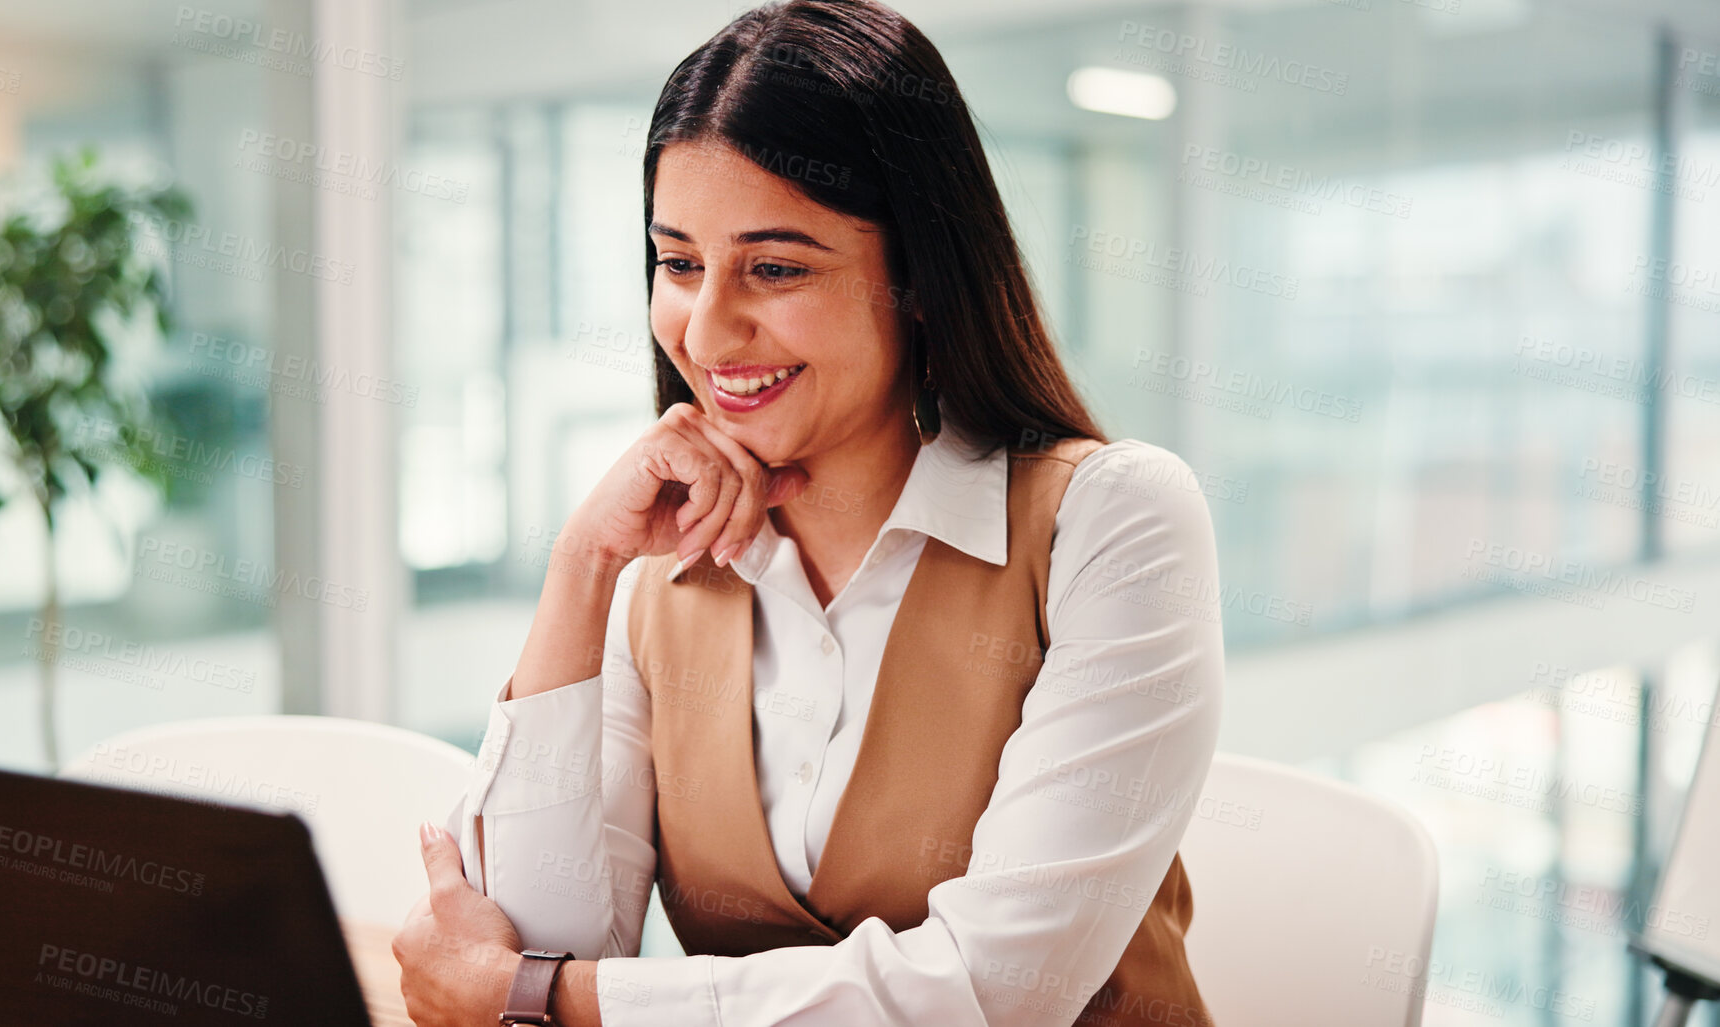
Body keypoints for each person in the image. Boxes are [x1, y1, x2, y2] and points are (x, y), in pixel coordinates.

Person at [393, 1, 1224, 1023]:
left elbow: (993, 990)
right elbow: (537, 945)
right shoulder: (663, 572)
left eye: (774, 268)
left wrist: (548, 1000)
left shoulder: (1114, 523)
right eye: (679, 263)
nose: (704, 329)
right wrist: (581, 565)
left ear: (917, 272)